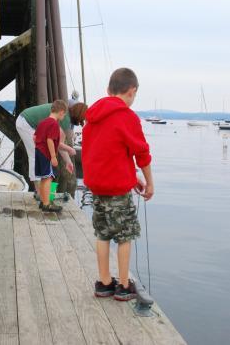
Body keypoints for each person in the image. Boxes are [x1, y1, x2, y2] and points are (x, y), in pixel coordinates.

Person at [82, 68, 154, 301]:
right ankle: (123, 285)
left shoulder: (92, 117)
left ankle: (104, 283)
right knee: (124, 236)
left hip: (96, 187)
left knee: (102, 234)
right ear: (131, 91)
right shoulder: (126, 117)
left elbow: (108, 154)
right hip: (117, 191)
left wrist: (133, 178)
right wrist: (149, 183)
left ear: (108, 90)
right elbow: (141, 153)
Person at [16, 101, 87, 194]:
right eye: (82, 119)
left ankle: (43, 193)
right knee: (35, 156)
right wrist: (69, 149)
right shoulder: (65, 119)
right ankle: (40, 193)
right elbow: (58, 144)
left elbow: (57, 144)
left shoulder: (64, 115)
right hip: (26, 123)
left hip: (27, 120)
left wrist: (68, 161)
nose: (81, 122)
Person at [34, 100, 68, 212]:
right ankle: (47, 204)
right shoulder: (53, 123)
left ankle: (44, 202)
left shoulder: (42, 122)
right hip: (46, 154)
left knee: (44, 178)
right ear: (61, 112)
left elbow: (34, 137)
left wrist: (39, 146)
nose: (64, 117)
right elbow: (50, 140)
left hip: (38, 151)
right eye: (64, 115)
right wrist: (53, 156)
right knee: (48, 178)